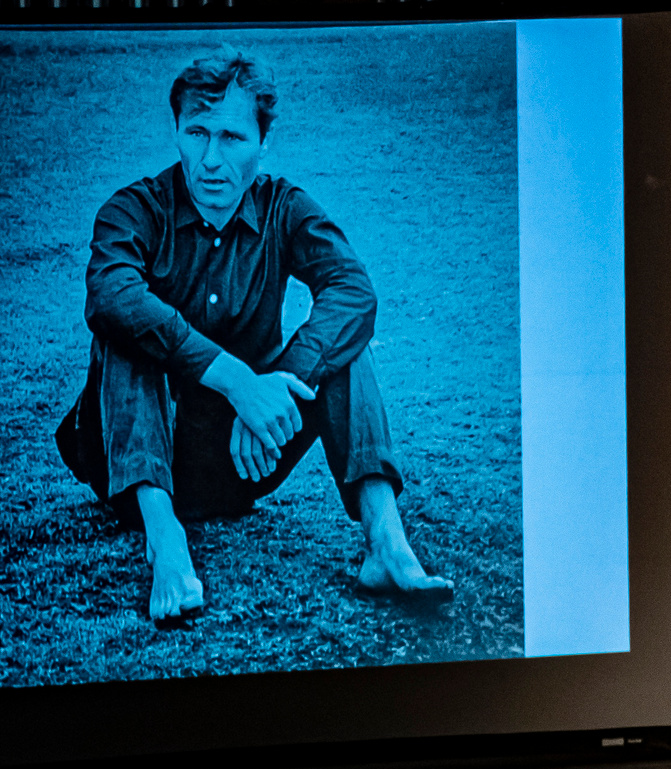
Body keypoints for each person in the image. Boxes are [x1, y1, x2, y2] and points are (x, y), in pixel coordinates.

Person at [55, 47, 454, 625]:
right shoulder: (133, 210)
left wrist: (279, 383)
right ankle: (166, 546)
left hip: (246, 455)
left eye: (233, 138)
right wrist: (238, 379)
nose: (212, 159)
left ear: (262, 143)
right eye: (197, 132)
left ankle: (386, 545)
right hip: (133, 468)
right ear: (176, 131)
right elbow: (111, 296)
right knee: (125, 332)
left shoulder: (284, 207)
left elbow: (352, 288)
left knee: (342, 347)